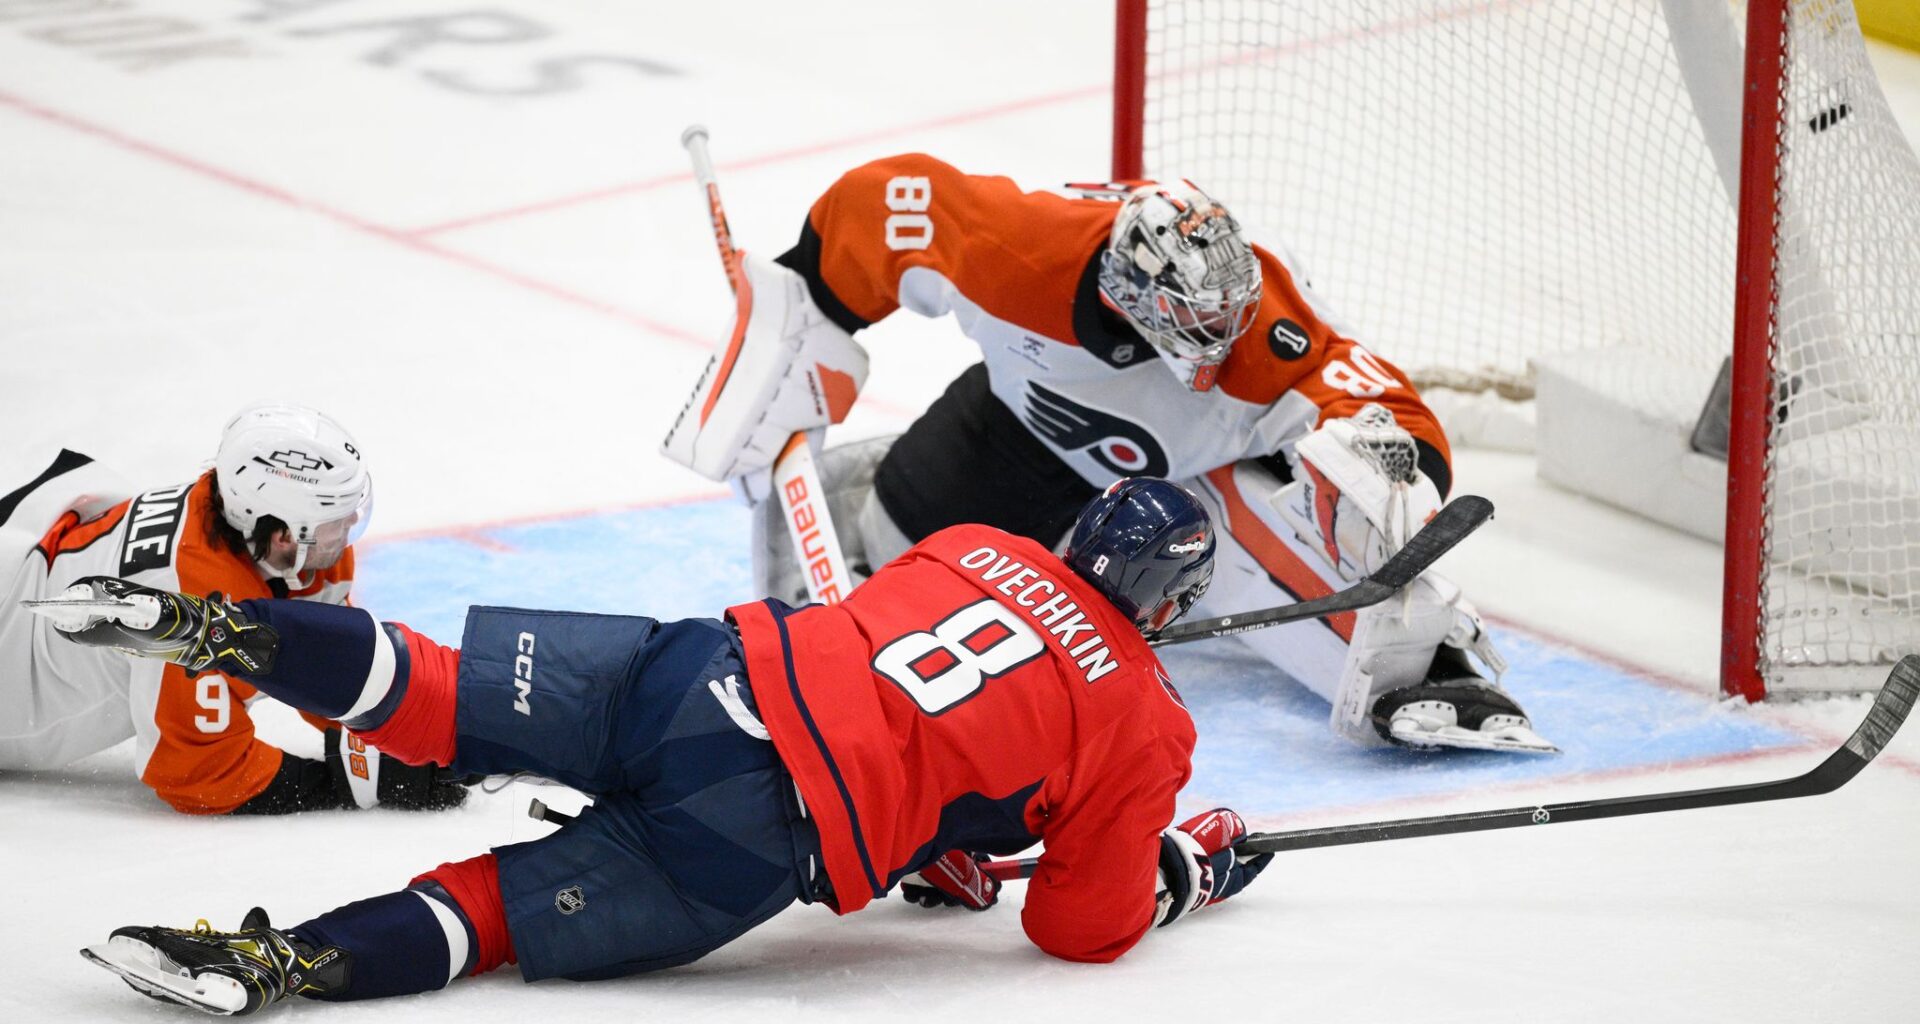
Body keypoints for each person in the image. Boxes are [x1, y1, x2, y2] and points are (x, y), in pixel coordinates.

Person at [46, 478, 1269, 1016]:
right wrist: (1177, 870)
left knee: (433, 686)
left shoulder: (977, 544)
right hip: (752, 833)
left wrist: (937, 834)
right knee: (492, 913)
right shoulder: (1147, 719)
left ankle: (221, 627)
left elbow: (913, 696)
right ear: (1168, 599)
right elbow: (1076, 924)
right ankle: (285, 962)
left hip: (697, 675)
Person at [660, 154, 1553, 754]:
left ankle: (1423, 670)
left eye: (1227, 320)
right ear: (1127, 292)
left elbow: (1383, 400)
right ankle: (846, 567)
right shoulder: (1022, 250)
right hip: (1011, 431)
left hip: (1169, 492)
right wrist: (805, 310)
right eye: (1191, 327)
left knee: (1264, 510)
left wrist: (1388, 469)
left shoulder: (1266, 331)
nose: (1217, 348)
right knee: (898, 567)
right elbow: (881, 205)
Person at [0, 403, 466, 814]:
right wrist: (343, 782)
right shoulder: (189, 598)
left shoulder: (281, 544)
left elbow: (323, 662)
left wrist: (402, 728)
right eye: (334, 517)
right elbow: (196, 772)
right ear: (283, 534)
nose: (350, 525)